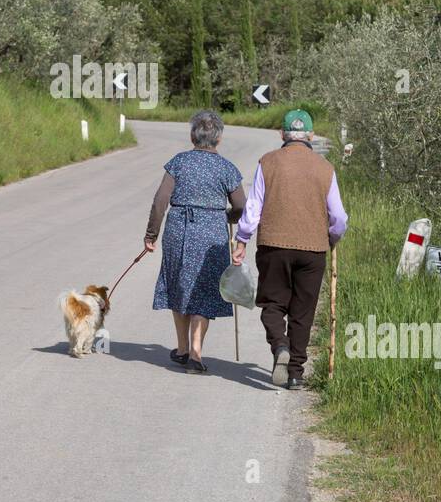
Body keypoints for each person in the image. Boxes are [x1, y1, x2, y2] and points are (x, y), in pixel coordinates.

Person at [232, 109, 347, 390]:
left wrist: (242, 239)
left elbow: (254, 207)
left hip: (274, 246)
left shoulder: (268, 162)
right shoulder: (325, 168)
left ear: (281, 134)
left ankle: (279, 345)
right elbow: (339, 218)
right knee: (303, 312)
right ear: (310, 135)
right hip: (313, 249)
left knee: (272, 304)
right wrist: (332, 237)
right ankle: (295, 373)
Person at [144, 110, 245, 374]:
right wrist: (229, 217)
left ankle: (182, 348)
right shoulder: (226, 168)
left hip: (178, 230)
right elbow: (241, 206)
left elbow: (159, 201)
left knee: (179, 285)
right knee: (204, 289)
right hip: (212, 233)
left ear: (192, 136)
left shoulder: (178, 162)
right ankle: (196, 352)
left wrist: (151, 235)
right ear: (218, 138)